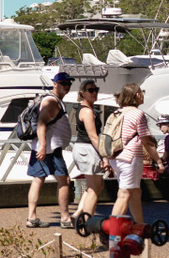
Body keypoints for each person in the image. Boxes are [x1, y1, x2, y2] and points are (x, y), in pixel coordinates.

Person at [25, 72, 74, 228]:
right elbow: (41, 123)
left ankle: (32, 217)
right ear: (55, 84)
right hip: (49, 150)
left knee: (38, 180)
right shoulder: (51, 102)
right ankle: (65, 218)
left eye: (69, 84)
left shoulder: (53, 100)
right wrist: (44, 145)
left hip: (44, 148)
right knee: (64, 181)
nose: (67, 86)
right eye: (63, 83)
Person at [107, 83, 149, 230]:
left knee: (135, 192)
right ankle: (112, 232)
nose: (143, 95)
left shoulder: (116, 113)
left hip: (116, 157)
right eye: (142, 92)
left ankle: (141, 227)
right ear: (137, 95)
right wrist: (158, 160)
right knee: (124, 194)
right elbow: (146, 139)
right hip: (130, 158)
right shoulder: (137, 113)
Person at [72, 80, 107, 221]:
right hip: (88, 149)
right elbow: (93, 137)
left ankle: (78, 213)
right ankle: (86, 221)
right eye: (91, 90)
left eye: (96, 89)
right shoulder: (87, 111)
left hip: (85, 149)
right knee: (94, 188)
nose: (94, 93)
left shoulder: (87, 109)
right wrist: (105, 156)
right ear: (82, 93)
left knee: (98, 186)